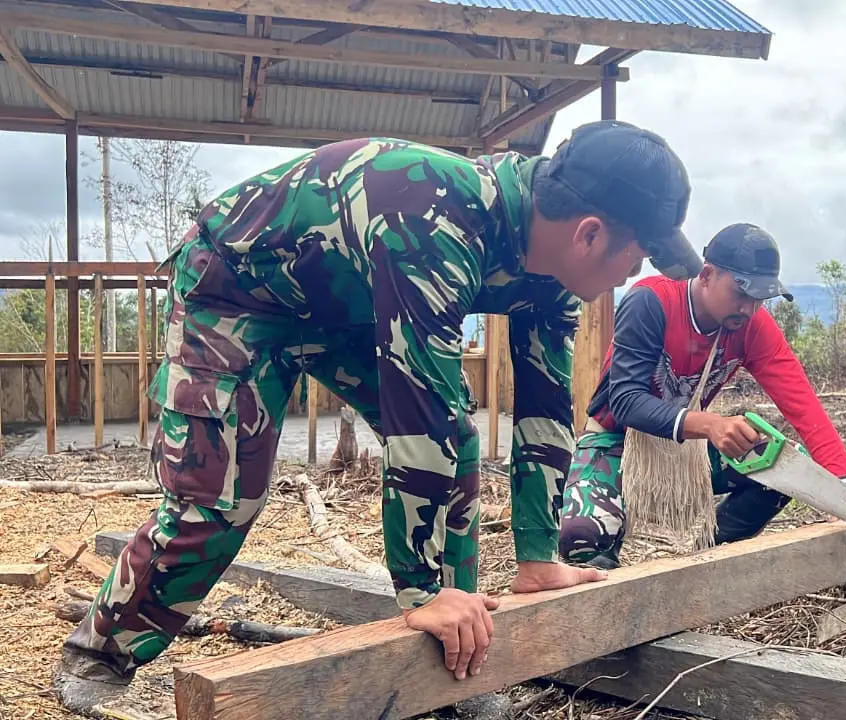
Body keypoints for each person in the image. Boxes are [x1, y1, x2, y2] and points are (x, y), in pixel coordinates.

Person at [52, 120, 705, 713]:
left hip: (344, 306)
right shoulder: (438, 218)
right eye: (638, 256)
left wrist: (538, 555)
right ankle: (99, 650)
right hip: (237, 290)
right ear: (589, 233)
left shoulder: (557, 276)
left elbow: (544, 413)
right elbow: (415, 408)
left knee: (457, 442)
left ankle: (452, 664)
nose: (635, 273)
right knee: (219, 500)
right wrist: (420, 592)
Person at [558, 222, 846, 570]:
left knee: (788, 470)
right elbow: (625, 401)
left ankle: (710, 560)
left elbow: (804, 407)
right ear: (707, 275)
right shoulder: (651, 301)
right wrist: (711, 425)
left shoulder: (752, 327)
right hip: (618, 442)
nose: (748, 309)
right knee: (582, 536)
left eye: (758, 299)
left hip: (689, 451)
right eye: (741, 293)